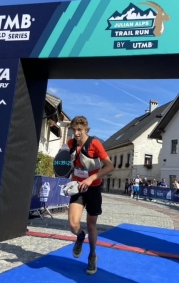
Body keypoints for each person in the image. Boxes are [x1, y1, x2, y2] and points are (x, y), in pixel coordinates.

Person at [67, 116, 114, 275]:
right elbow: (67, 163)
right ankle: (80, 237)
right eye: (74, 129)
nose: (76, 133)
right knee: (73, 225)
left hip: (93, 189)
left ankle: (92, 255)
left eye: (79, 129)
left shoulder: (95, 143)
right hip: (78, 188)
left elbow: (110, 166)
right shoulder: (70, 144)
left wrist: (91, 178)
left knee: (91, 225)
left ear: (86, 129)